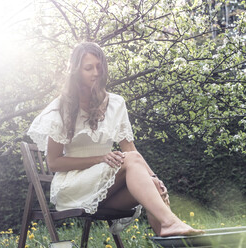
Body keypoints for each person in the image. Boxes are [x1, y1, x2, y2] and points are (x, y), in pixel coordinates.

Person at [28, 42, 202, 237]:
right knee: (131, 160)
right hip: (73, 187)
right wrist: (100, 158)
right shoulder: (62, 107)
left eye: (99, 67)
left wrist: (155, 178)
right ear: (76, 71)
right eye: (88, 68)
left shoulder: (116, 103)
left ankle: (172, 246)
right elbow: (53, 162)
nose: (95, 73)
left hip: (105, 187)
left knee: (154, 186)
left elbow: (130, 148)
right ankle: (171, 223)